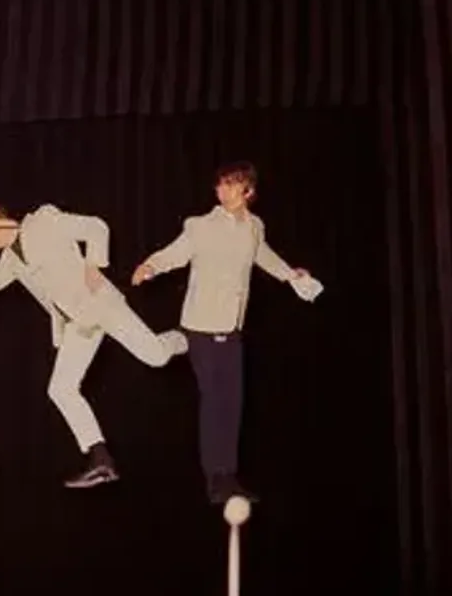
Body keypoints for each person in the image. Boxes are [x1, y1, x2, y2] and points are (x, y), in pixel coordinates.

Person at [0, 202, 188, 489]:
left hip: (100, 304)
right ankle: (101, 459)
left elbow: (95, 226)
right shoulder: (11, 260)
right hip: (78, 324)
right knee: (61, 389)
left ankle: (189, 338)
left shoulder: (44, 222)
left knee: (157, 357)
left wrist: (92, 264)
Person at [131, 162, 317, 506]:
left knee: (232, 403)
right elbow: (177, 251)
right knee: (214, 400)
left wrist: (292, 275)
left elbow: (263, 255)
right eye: (220, 185)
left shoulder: (254, 227)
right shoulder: (200, 225)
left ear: (247, 191)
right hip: (201, 325)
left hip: (232, 327)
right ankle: (215, 478)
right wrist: (152, 265)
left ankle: (228, 475)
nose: (222, 191)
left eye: (231, 186)